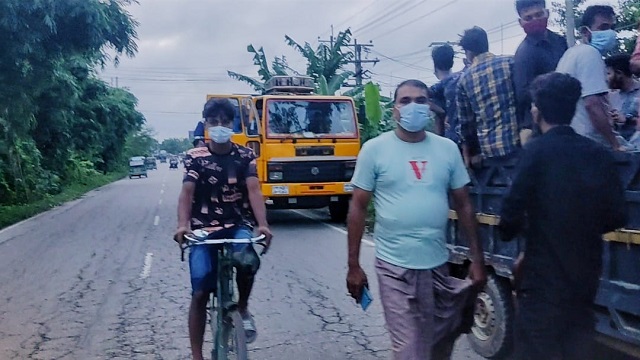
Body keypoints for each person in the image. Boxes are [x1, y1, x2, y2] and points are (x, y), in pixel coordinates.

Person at [346, 79, 487, 360]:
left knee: (440, 344)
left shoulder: (447, 149)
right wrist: (353, 265)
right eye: (405, 101)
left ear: (430, 108)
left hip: (437, 266)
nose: (413, 106)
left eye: (420, 100)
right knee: (411, 351)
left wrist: (478, 259)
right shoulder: (374, 150)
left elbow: (463, 204)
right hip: (394, 268)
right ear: (394, 110)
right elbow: (358, 208)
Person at [498, 72, 627, 360]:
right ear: (573, 108)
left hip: (541, 278)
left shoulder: (534, 152)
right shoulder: (599, 154)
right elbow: (618, 215)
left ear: (537, 110)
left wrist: (530, 230)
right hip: (586, 276)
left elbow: (508, 217)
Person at [174, 98, 273, 360]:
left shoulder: (245, 156)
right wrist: (183, 225)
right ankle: (197, 355)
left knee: (247, 261)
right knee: (200, 291)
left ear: (233, 125)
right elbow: (186, 194)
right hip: (202, 230)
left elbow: (254, 190)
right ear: (206, 125)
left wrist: (262, 224)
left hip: (236, 224)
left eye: (225, 122)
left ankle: (242, 307)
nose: (220, 126)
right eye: (214, 122)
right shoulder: (195, 158)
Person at [555, 5, 629, 150]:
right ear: (585, 32)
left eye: (611, 28)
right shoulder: (590, 54)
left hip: (571, 140)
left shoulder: (570, 54)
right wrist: (615, 145)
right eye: (603, 27)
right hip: (590, 141)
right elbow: (592, 104)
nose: (610, 33)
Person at [457, 26, 520, 165]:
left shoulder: (464, 79)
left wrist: (470, 152)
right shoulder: (510, 62)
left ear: (468, 52)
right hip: (518, 143)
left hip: (489, 151)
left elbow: (466, 123)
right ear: (486, 43)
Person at [513, 0, 567, 144]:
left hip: (567, 115)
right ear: (521, 22)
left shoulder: (561, 41)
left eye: (538, 14)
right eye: (528, 18)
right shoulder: (524, 54)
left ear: (547, 13)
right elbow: (523, 94)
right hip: (541, 125)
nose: (535, 20)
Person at [430, 44, 464, 143]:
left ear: (435, 66)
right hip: (472, 139)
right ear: (452, 62)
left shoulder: (435, 91)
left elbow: (439, 125)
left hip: (451, 140)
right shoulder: (464, 78)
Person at [605, 53, 640, 140]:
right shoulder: (609, 96)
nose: (606, 78)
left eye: (608, 73)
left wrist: (627, 120)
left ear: (619, 73)